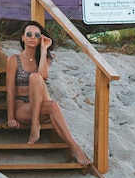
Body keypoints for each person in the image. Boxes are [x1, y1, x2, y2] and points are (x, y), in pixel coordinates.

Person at [6, 20, 92, 167]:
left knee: (38, 82)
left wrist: (44, 49)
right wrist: (11, 117)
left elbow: (42, 76)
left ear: (41, 38)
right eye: (29, 34)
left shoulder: (44, 58)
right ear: (23, 38)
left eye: (36, 35)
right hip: (22, 107)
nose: (32, 37)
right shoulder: (14, 59)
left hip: (39, 105)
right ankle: (35, 125)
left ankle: (75, 149)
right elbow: (10, 90)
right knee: (46, 96)